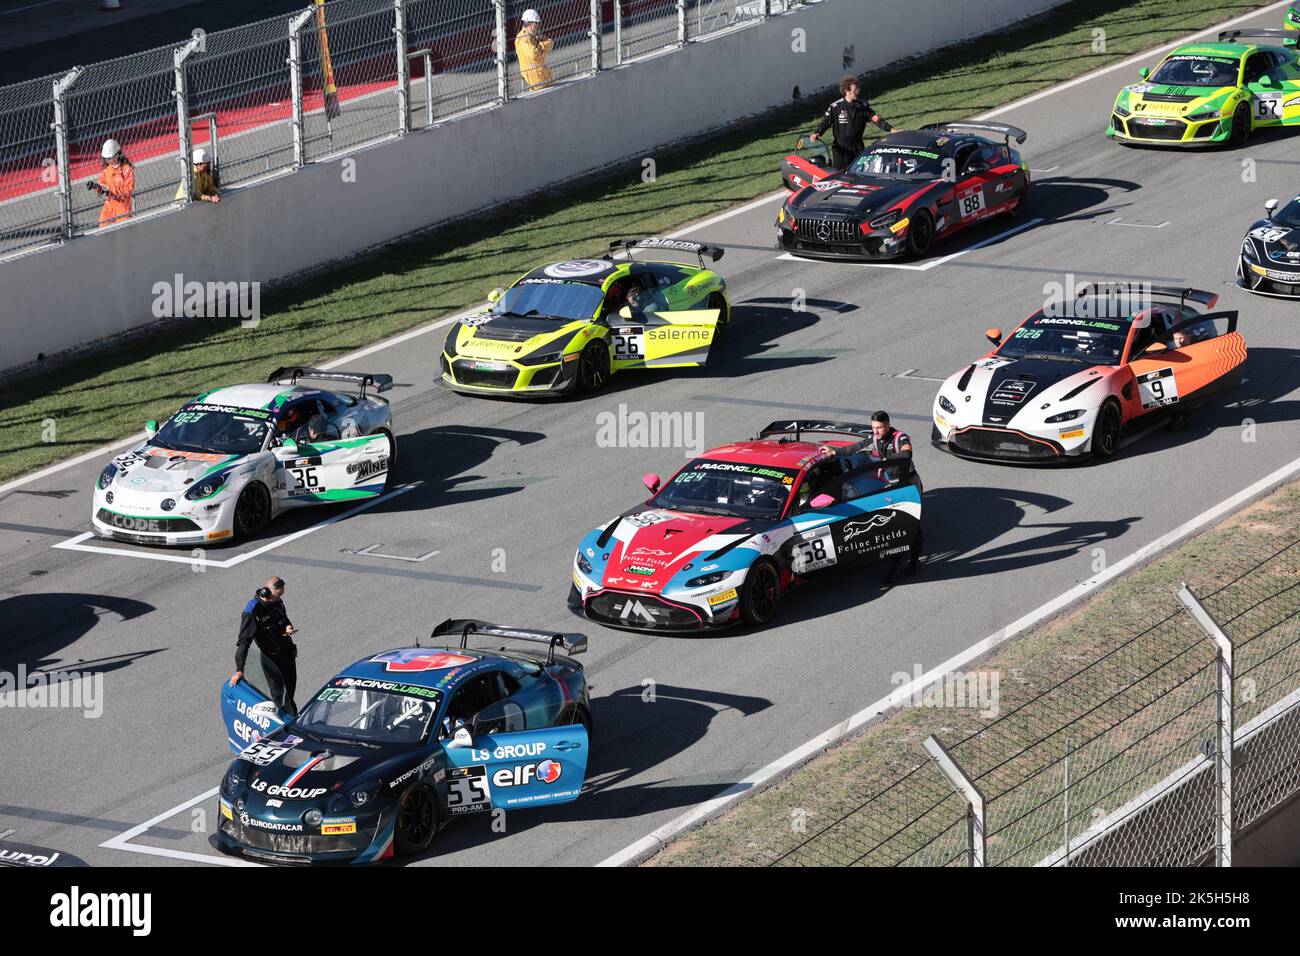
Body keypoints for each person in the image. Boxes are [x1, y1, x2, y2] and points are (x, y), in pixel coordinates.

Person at [864, 411, 921, 582]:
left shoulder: (900, 437)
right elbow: (855, 447)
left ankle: (913, 561)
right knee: (893, 525)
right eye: (873, 427)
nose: (876, 432)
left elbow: (906, 454)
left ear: (887, 425)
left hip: (909, 486)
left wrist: (885, 462)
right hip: (892, 487)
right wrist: (834, 453)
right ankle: (896, 564)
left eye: (879, 427)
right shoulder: (875, 437)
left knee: (913, 525)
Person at [229, 577, 299, 714]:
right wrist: (239, 669)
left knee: (289, 693)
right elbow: (244, 641)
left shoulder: (277, 601)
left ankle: (291, 717)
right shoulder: (252, 610)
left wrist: (288, 626)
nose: (279, 599)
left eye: (281, 596)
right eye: (277, 595)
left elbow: (284, 618)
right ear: (265, 592)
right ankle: (287, 723)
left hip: (287, 653)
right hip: (271, 659)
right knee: (281, 697)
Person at [809, 75, 895, 171]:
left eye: (858, 89)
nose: (858, 91)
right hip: (840, 149)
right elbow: (825, 122)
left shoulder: (863, 106)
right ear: (847, 91)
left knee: (860, 173)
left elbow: (876, 119)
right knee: (839, 175)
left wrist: (891, 129)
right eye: (855, 89)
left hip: (857, 147)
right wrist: (817, 133)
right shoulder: (835, 107)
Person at [89, 138, 134, 226]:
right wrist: (96, 187)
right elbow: (101, 184)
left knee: (123, 232)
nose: (108, 160)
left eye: (110, 157)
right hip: (109, 207)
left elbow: (129, 189)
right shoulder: (106, 171)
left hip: (123, 207)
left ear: (117, 154)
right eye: (106, 158)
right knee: (103, 230)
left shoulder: (127, 169)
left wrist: (110, 190)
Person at [515, 9, 553, 91]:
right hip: (533, 77)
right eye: (536, 23)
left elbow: (550, 42)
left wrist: (541, 47)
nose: (538, 25)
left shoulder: (535, 35)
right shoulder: (522, 39)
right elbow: (534, 54)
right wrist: (543, 46)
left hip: (543, 74)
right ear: (529, 23)